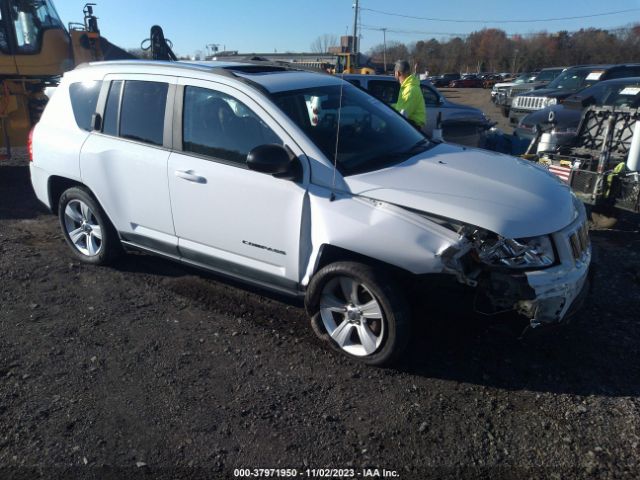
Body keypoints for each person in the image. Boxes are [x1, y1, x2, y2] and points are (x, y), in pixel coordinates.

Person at [392, 60, 426, 130]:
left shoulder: (410, 89)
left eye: (394, 72)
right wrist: (388, 106)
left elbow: (403, 113)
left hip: (413, 127)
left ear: (397, 73)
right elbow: (401, 106)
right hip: (411, 125)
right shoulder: (407, 87)